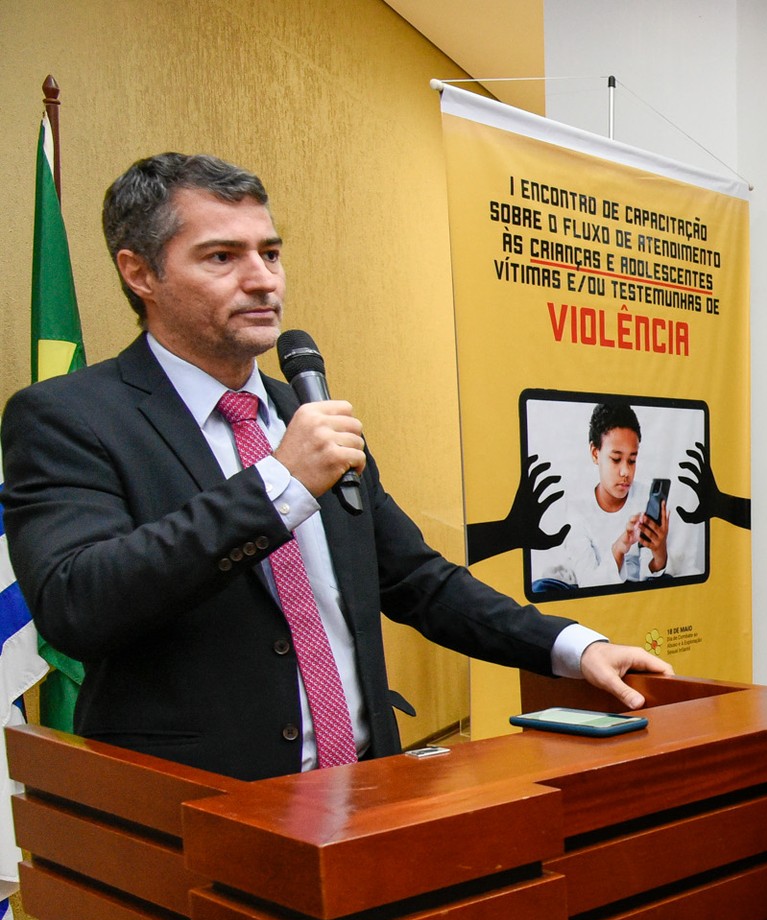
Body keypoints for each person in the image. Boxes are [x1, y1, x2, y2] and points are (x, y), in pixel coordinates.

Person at [0, 153, 670, 781]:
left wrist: (571, 645)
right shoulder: (68, 417)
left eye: (269, 252)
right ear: (140, 272)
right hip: (200, 816)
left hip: (365, 792)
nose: (262, 278)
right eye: (221, 257)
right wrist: (278, 485)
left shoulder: (307, 414)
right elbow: (76, 602)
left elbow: (418, 581)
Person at [532, 401, 669, 589]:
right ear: (595, 453)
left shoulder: (645, 498)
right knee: (541, 587)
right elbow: (588, 583)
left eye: (632, 460)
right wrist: (619, 548)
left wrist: (659, 551)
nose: (625, 472)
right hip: (594, 589)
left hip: (635, 594)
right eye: (616, 459)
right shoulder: (577, 508)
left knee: (666, 580)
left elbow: (649, 574)